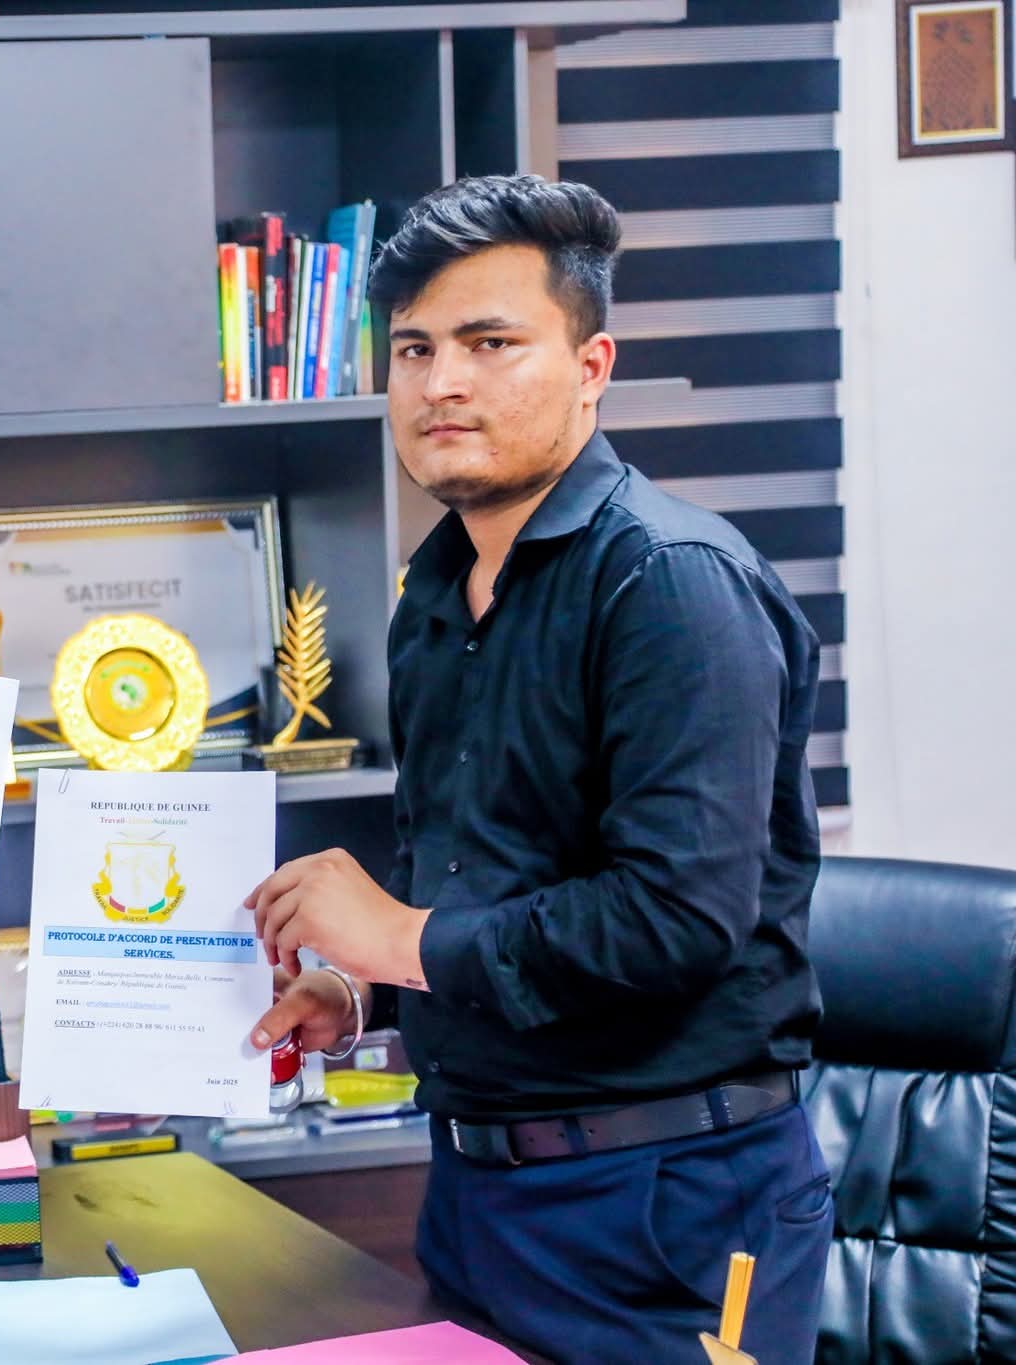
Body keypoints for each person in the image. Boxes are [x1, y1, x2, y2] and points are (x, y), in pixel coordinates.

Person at [245, 175, 831, 1364]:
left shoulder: (669, 582)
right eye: (412, 350)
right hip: (476, 1199)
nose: (439, 383)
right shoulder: (432, 596)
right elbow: (489, 883)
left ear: (590, 365)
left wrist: (397, 937)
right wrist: (364, 991)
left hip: (666, 1209)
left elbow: (673, 918)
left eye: (489, 343)